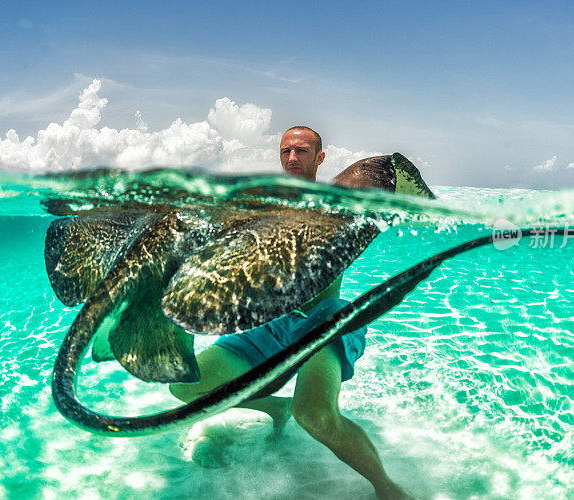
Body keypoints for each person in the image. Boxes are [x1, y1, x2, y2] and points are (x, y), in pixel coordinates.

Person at [169, 126, 412, 500]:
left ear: (320, 157)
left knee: (315, 415)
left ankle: (387, 487)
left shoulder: (339, 202)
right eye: (285, 151)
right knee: (187, 384)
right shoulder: (264, 204)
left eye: (301, 151)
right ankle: (274, 408)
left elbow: (383, 204)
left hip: (324, 320)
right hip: (269, 323)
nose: (292, 158)